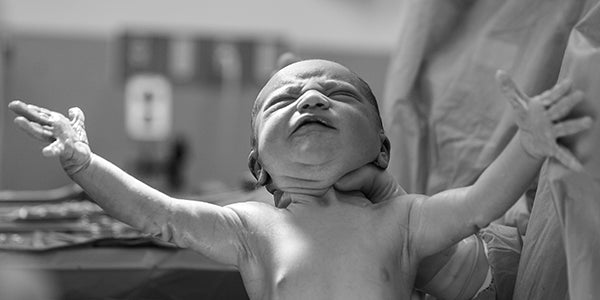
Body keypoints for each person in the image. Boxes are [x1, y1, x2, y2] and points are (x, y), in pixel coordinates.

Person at [8, 59, 591, 299]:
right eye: (283, 100)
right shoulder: (251, 227)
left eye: (338, 94)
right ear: (260, 164)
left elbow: (478, 204)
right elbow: (158, 214)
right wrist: (85, 164)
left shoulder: (403, 218)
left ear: (382, 149)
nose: (311, 95)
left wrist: (531, 143)